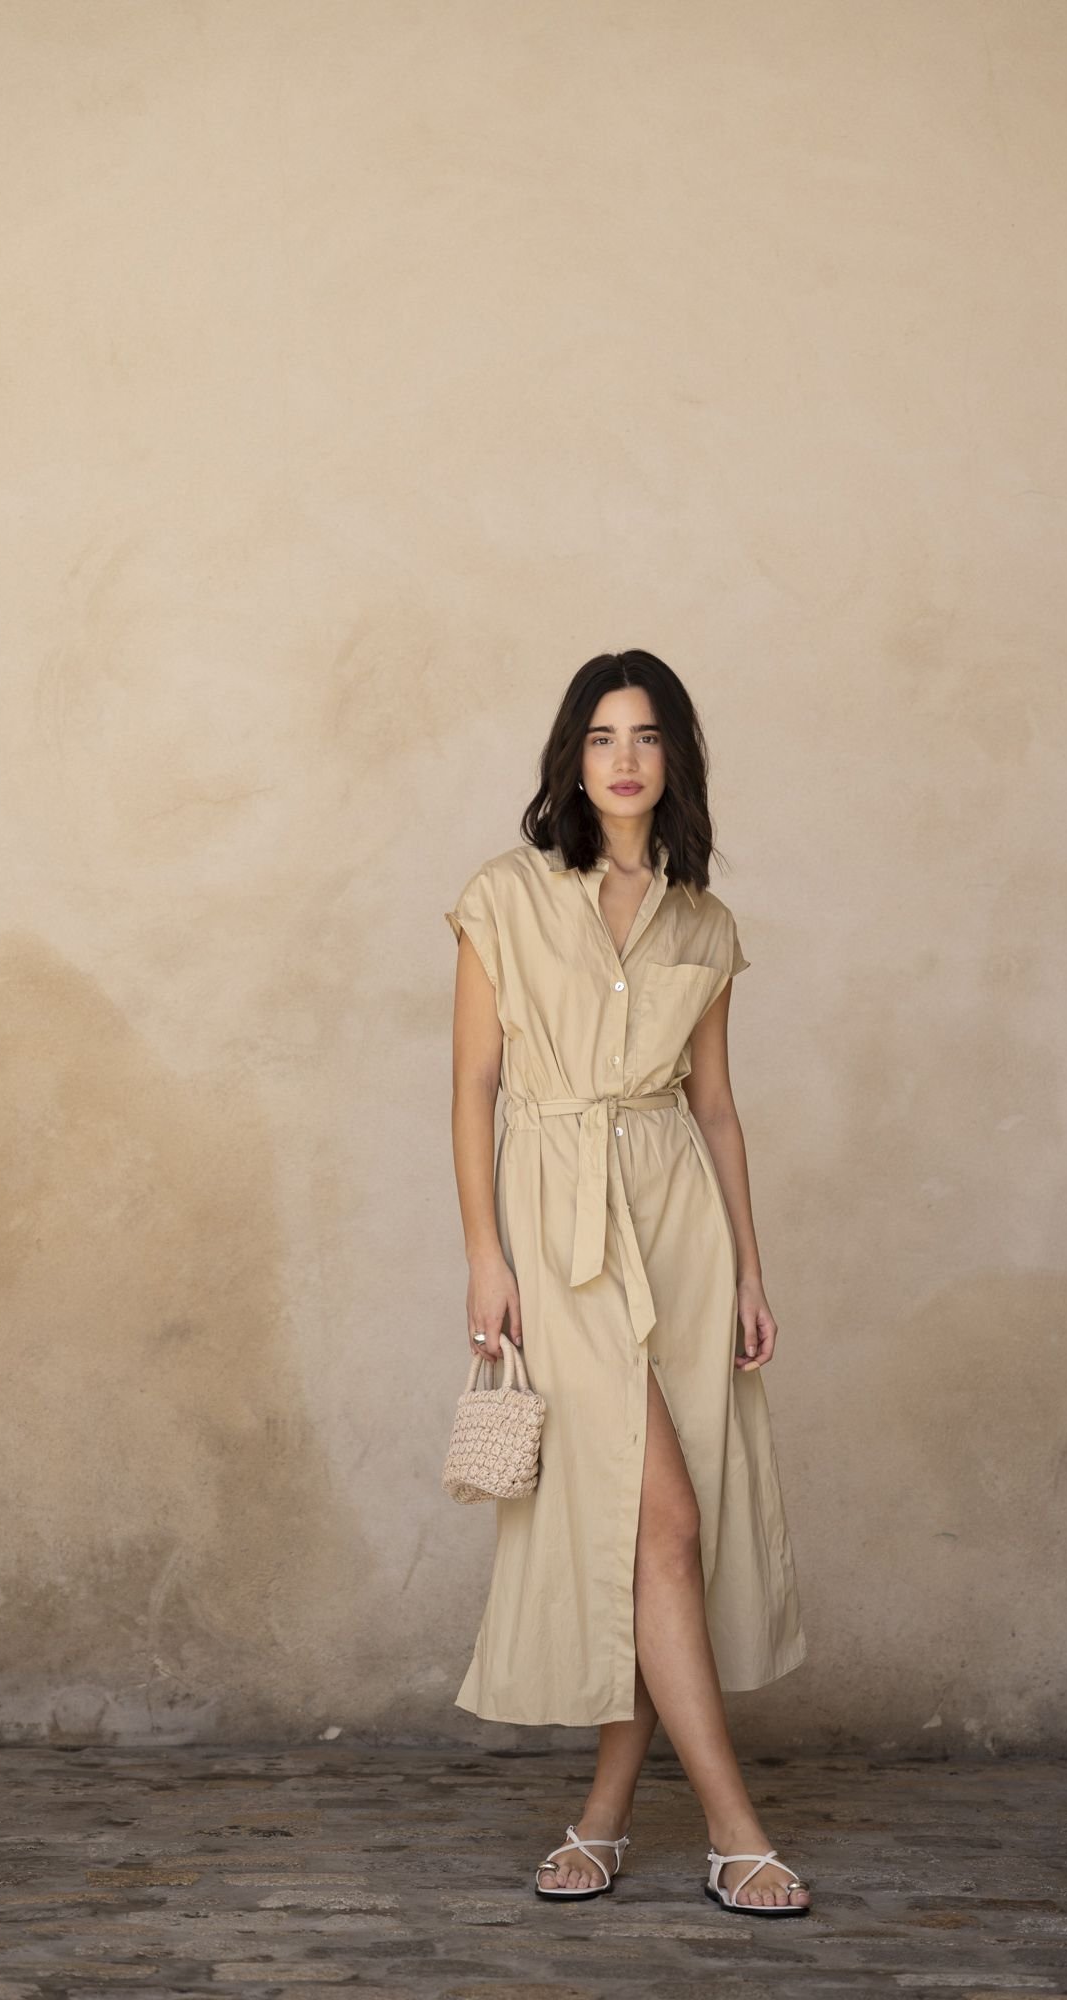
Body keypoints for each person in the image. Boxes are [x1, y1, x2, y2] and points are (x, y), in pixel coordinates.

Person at [444, 649, 811, 1916]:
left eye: (646, 735)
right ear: (572, 755)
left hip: (678, 1228)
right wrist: (485, 1255)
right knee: (661, 1517)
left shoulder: (701, 921)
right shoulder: (505, 896)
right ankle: (733, 1827)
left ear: (674, 758)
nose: (623, 758)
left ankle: (602, 1816)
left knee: (652, 1532)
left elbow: (716, 1109)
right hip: (557, 1229)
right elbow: (474, 1085)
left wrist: (750, 1267)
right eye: (601, 735)